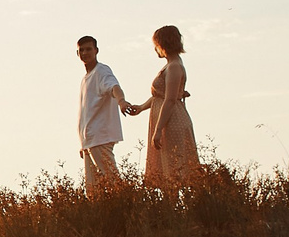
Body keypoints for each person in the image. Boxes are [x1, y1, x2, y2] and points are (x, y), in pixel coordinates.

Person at [120, 24, 200, 198]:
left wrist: (158, 129)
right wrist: (141, 107)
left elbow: (170, 100)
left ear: (163, 44)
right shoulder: (170, 65)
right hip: (166, 120)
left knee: (173, 169)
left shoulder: (174, 67)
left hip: (172, 122)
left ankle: (174, 206)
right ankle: (170, 205)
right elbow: (160, 96)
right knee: (168, 169)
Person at [75, 35, 129, 191]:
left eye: (88, 49)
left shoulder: (101, 71)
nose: (85, 53)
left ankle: (130, 204)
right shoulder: (86, 78)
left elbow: (114, 87)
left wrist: (121, 101)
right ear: (77, 53)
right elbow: (87, 112)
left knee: (113, 181)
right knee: (92, 190)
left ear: (96, 50)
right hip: (89, 140)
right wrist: (83, 143)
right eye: (82, 50)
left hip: (100, 137)